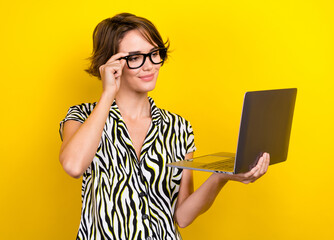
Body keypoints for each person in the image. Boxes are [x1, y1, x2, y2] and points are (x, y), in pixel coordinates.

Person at [59, 13, 270, 240]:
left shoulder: (178, 127)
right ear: (111, 64)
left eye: (153, 54)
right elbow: (73, 166)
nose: (149, 65)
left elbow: (183, 216)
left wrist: (220, 176)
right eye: (135, 57)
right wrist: (108, 93)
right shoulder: (82, 116)